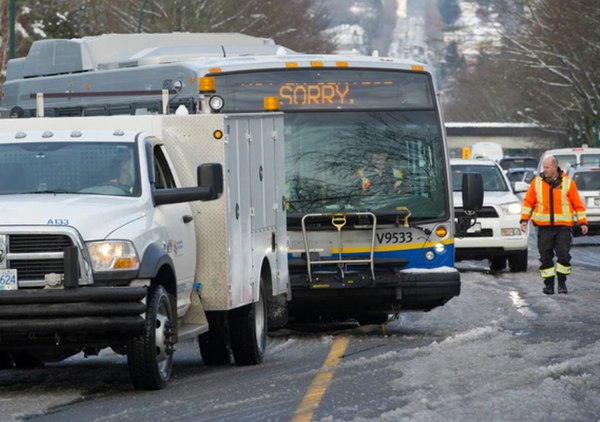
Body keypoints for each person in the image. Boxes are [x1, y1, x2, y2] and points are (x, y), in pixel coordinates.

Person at [520, 156, 588, 295]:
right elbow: (528, 202)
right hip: (544, 227)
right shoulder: (537, 182)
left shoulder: (568, 183)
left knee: (563, 256)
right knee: (545, 257)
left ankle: (562, 283)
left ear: (555, 167)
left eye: (546, 167)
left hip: (563, 227)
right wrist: (524, 220)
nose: (544, 170)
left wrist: (583, 222)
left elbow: (578, 205)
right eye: (543, 167)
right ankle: (548, 285)